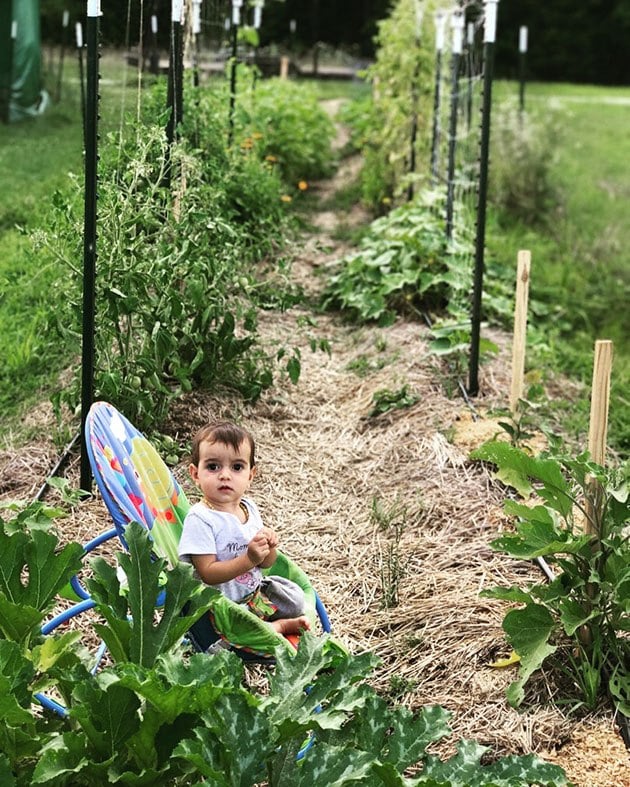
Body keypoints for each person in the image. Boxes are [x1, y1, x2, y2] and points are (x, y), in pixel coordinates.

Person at [178, 421, 311, 637]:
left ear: (250, 475)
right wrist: (248, 559)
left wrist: (269, 546)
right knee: (238, 627)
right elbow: (208, 573)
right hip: (221, 606)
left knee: (295, 599)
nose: (225, 475)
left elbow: (266, 563)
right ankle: (279, 627)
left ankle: (270, 621)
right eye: (213, 467)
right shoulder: (200, 518)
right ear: (195, 475)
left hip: (254, 593)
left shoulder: (248, 508)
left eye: (237, 467)